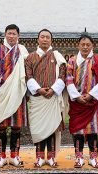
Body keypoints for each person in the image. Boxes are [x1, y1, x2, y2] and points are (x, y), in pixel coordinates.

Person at [0, 24, 29, 168]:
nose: (11, 36)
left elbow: (27, 74)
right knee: (1, 126)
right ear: (5, 35)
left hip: (18, 93)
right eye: (9, 33)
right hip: (1, 93)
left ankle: (14, 155)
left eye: (14, 34)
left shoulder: (23, 51)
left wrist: (28, 92)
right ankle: (1, 156)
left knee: (16, 126)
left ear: (18, 36)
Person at [25, 29, 66, 168]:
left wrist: (53, 90)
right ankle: (39, 157)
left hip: (53, 97)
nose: (44, 39)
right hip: (38, 98)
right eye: (42, 37)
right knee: (38, 128)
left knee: (53, 127)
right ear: (38, 39)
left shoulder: (57, 56)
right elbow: (28, 76)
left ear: (51, 40)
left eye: (47, 37)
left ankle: (51, 157)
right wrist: (39, 90)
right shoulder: (30, 57)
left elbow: (63, 75)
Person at [66, 34, 98, 168]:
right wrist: (77, 97)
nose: (85, 47)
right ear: (78, 45)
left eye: (88, 45)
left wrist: (90, 95)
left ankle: (93, 157)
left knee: (92, 132)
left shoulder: (97, 61)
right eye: (82, 44)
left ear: (92, 46)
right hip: (76, 103)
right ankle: (79, 157)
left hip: (92, 103)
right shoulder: (72, 61)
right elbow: (68, 79)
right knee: (78, 132)